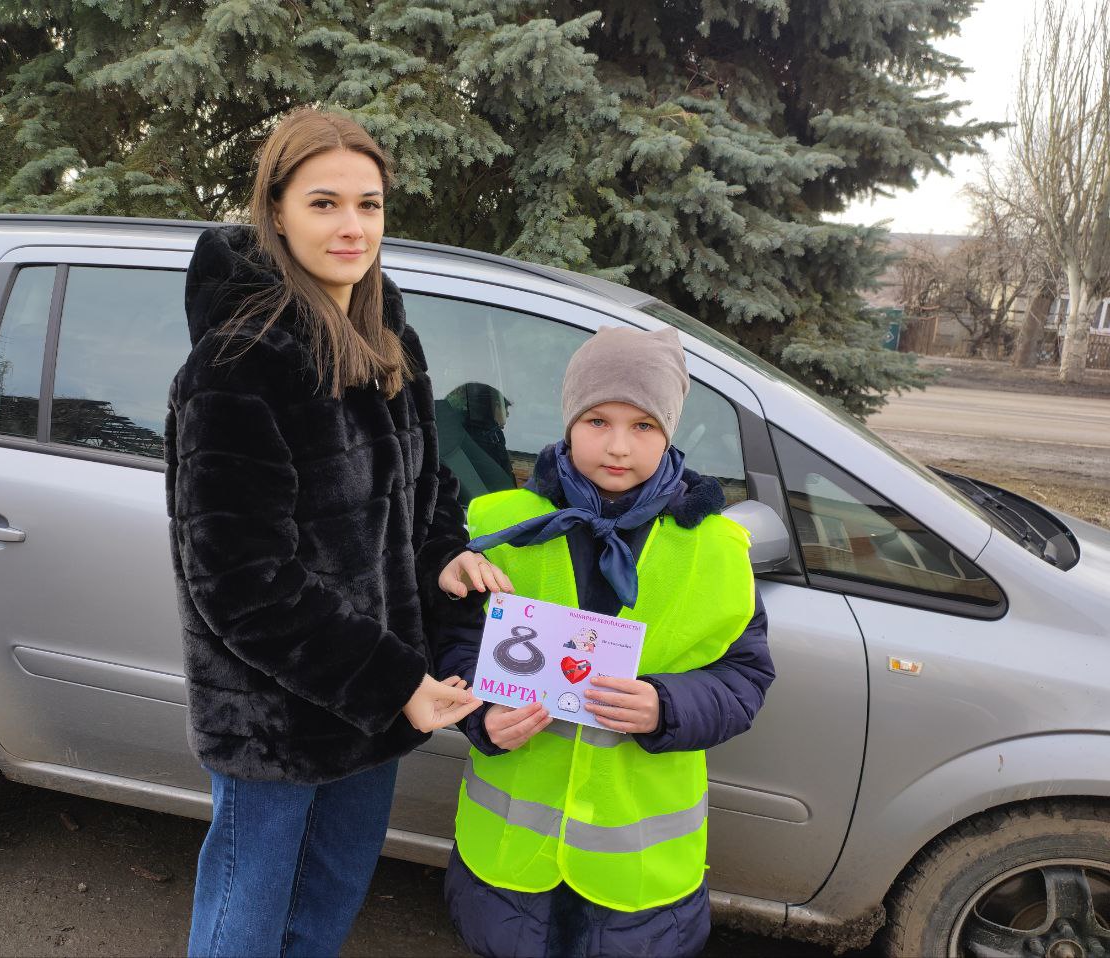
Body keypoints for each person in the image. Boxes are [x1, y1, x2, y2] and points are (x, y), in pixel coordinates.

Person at [164, 107, 503, 958]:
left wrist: (446, 554)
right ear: (275, 211)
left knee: (322, 914)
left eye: (370, 204)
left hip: (377, 705)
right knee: (245, 929)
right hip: (276, 717)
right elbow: (240, 581)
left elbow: (428, 489)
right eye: (324, 203)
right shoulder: (238, 364)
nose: (352, 226)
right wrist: (395, 681)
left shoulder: (391, 339)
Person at [434, 326, 776, 958]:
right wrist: (483, 715)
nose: (618, 446)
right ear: (569, 423)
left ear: (671, 430)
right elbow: (454, 644)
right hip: (512, 871)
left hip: (635, 885)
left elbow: (745, 678)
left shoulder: (717, 551)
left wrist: (667, 707)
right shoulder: (501, 527)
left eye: (644, 425)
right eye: (597, 420)